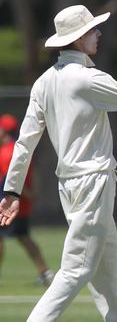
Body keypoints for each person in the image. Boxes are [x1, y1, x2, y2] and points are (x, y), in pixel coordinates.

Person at [0, 4, 117, 321]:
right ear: (78, 38)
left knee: (109, 281)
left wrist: (11, 192)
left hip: (72, 187)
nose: (98, 33)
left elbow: (25, 142)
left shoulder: (44, 82)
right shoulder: (86, 78)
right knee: (76, 271)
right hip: (92, 182)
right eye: (93, 30)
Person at [0, 114, 54, 286]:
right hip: (21, 202)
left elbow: (14, 180)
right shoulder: (18, 149)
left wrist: (29, 195)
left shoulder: (7, 152)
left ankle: (45, 272)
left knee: (20, 237)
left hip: (13, 203)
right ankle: (45, 272)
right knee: (23, 237)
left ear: (4, 130)